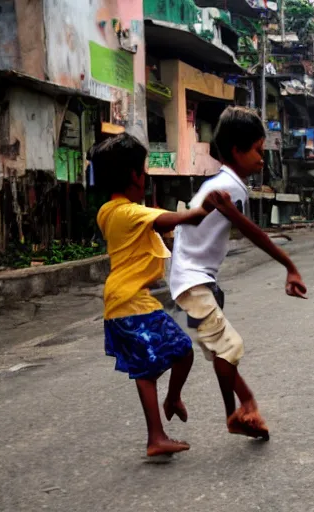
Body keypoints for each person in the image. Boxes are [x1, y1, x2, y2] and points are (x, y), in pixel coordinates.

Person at [170, 107, 308, 440]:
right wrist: (289, 266)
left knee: (222, 352)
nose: (263, 159)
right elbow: (253, 233)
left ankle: (241, 407)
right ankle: (236, 413)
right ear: (236, 150)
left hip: (189, 281)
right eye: (258, 151)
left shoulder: (220, 183)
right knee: (229, 349)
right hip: (192, 282)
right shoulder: (231, 188)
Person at [93, 134, 225, 457]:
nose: (146, 176)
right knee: (174, 354)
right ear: (134, 177)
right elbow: (176, 219)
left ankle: (162, 423)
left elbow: (156, 225)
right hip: (130, 304)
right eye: (144, 170)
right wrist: (206, 208)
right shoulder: (128, 213)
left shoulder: (109, 212)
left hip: (129, 302)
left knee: (156, 362)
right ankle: (162, 422)